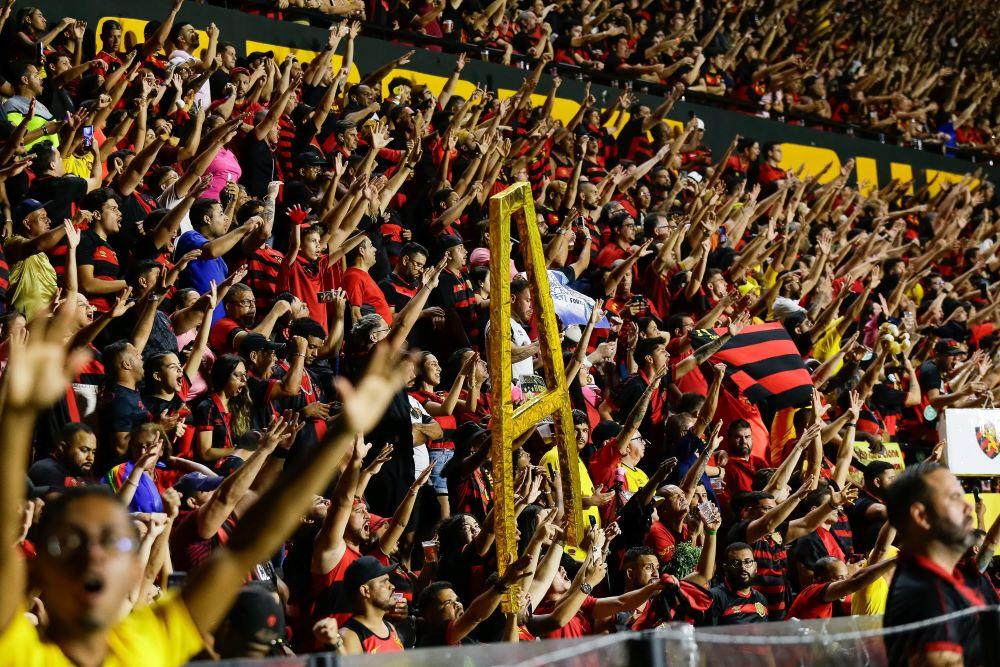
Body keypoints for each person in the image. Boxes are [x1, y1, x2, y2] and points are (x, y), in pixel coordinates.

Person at [884, 462, 988, 666]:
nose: (968, 507)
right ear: (921, 516)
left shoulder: (932, 582)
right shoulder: (928, 596)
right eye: (954, 498)